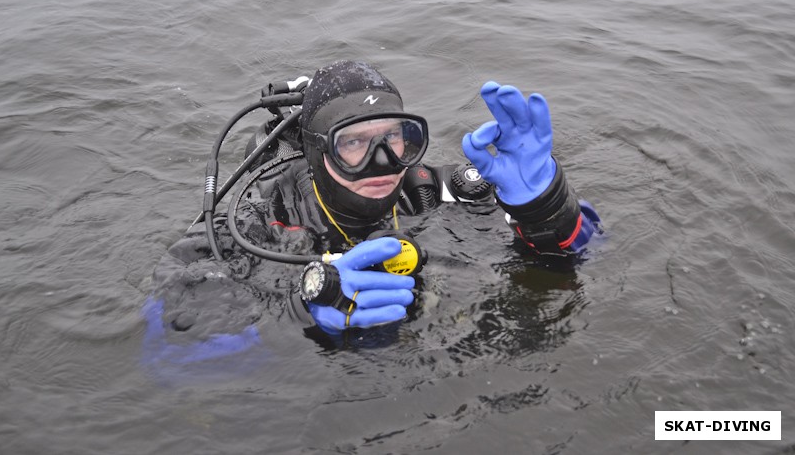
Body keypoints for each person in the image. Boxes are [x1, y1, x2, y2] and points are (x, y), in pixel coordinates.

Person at [142, 60, 601, 364]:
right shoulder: (255, 220)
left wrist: (542, 205)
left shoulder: (431, 193)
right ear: (318, 150)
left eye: (395, 138)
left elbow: (582, 258)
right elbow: (172, 347)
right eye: (354, 143)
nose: (383, 163)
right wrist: (297, 314)